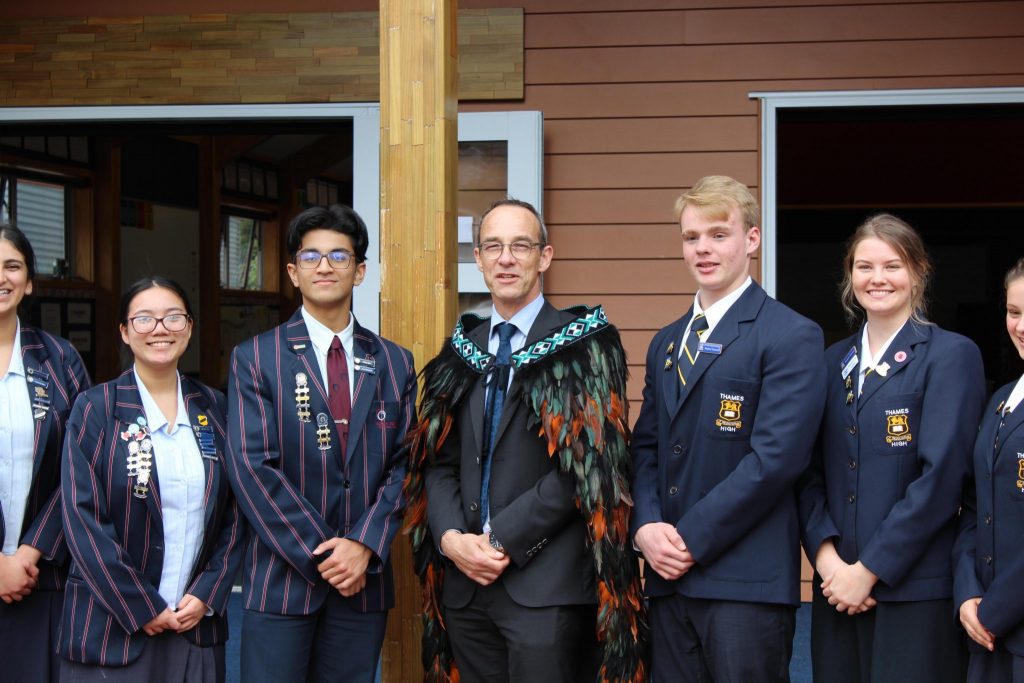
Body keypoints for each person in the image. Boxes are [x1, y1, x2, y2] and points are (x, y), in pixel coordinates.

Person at [405, 198, 645, 683]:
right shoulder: (462, 351)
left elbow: (588, 467)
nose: (506, 259)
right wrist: (451, 539)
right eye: (493, 247)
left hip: (545, 589)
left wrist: (500, 539)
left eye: (521, 246)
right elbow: (438, 461)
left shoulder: (583, 346)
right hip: (466, 587)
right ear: (478, 259)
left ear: (544, 256)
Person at [630, 175, 826, 682]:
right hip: (667, 581)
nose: (703, 248)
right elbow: (646, 446)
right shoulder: (666, 342)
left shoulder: (790, 334)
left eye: (719, 234)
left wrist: (689, 539)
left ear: (752, 239)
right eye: (691, 237)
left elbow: (776, 460)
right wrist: (646, 528)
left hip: (745, 585)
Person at [225, 204, 416, 683]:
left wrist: (364, 545)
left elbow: (406, 464)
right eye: (311, 256)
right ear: (294, 272)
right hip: (283, 579)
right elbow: (252, 466)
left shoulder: (394, 362)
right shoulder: (256, 357)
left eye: (339, 256)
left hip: (362, 582)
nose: (324, 266)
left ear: (360, 271)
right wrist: (327, 554)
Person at [799, 213, 984, 683]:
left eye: (892, 266)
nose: (877, 278)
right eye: (864, 267)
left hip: (913, 594)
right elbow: (806, 470)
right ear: (850, 275)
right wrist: (828, 562)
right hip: (837, 591)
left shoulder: (950, 355)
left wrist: (869, 570)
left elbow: (941, 479)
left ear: (919, 271)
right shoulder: (830, 362)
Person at [59, 276, 243, 681]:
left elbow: (235, 513)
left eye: (173, 317)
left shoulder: (215, 407)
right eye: (144, 318)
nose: (160, 328)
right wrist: (141, 605)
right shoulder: (95, 408)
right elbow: (82, 520)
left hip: (195, 626)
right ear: (125, 332)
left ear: (189, 328)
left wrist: (208, 592)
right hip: (112, 633)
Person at [0, 223, 91, 682]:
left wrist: (29, 553)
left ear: (29, 282)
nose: (1, 277)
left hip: (42, 573)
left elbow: (82, 463)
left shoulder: (59, 358)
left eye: (12, 266)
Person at [955, 258, 1024, 682]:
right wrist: (967, 592)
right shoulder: (1001, 400)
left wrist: (994, 611)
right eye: (1014, 312)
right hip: (987, 633)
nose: (1021, 326)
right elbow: (974, 504)